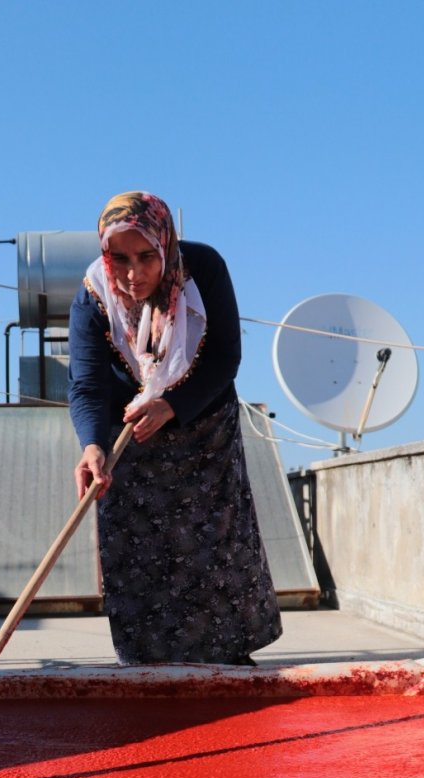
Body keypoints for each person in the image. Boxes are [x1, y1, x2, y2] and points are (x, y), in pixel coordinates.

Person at [68, 190, 282, 665]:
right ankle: (150, 672)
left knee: (213, 555)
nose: (133, 273)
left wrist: (174, 404)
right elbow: (86, 386)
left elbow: (226, 356)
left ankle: (229, 662)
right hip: (133, 444)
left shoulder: (202, 270)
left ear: (165, 244)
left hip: (204, 431)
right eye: (118, 258)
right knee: (142, 565)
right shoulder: (92, 297)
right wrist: (93, 448)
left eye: (146, 256)